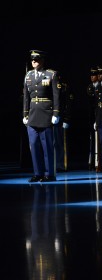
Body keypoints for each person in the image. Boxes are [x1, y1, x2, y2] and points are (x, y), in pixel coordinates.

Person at [22, 50, 60, 182]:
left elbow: (56, 95)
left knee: (47, 146)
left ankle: (49, 174)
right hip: (33, 114)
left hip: (46, 114)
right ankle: (37, 173)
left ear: (42, 60)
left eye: (37, 59)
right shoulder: (28, 75)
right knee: (34, 145)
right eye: (32, 59)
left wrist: (56, 113)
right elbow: (26, 98)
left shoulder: (50, 74)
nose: (34, 61)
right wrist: (25, 114)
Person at [53, 71, 72, 172]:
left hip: (61, 119)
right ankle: (53, 165)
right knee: (52, 143)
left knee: (61, 144)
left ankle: (61, 165)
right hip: (51, 119)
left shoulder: (64, 87)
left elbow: (67, 104)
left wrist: (66, 119)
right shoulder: (49, 86)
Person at [86, 67, 100, 170]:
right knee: (92, 138)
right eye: (91, 75)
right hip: (91, 114)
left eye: (94, 75)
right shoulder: (90, 87)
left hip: (99, 113)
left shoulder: (101, 86)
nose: (92, 77)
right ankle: (91, 160)